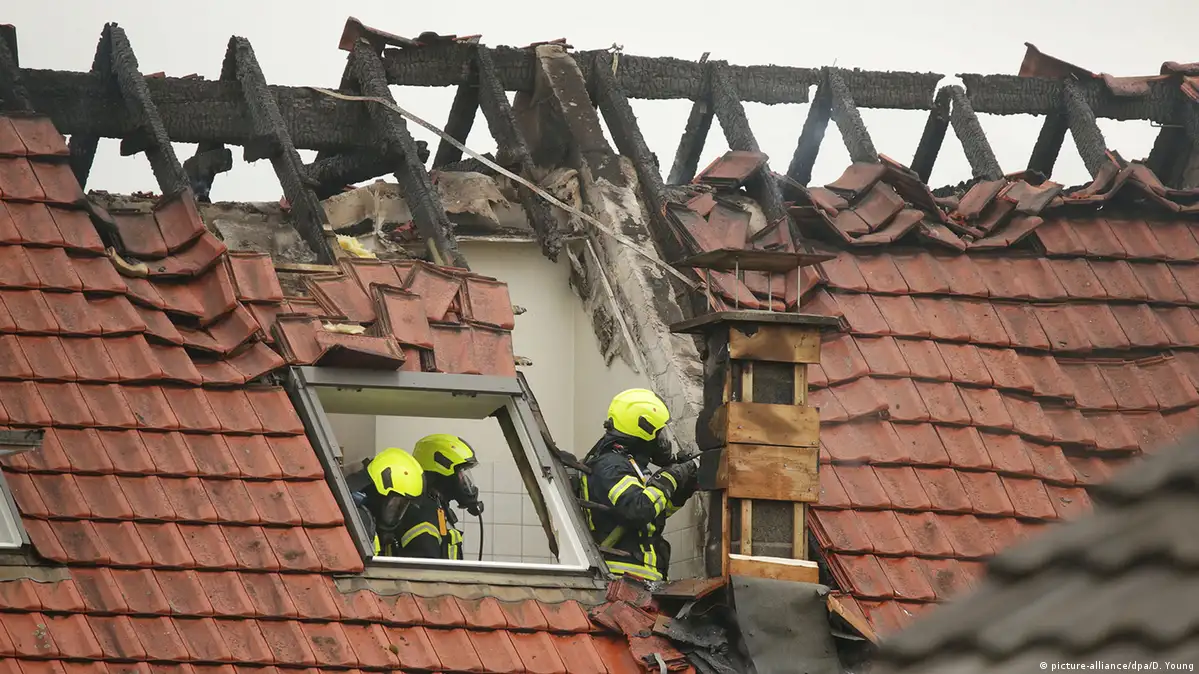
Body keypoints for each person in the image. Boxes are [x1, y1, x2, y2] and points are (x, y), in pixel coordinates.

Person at [576, 388, 698, 583]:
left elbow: (654, 514)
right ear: (644, 429)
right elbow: (639, 509)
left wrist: (684, 485)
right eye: (659, 433)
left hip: (639, 580)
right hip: (622, 580)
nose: (663, 441)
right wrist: (672, 476)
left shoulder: (629, 465)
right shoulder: (610, 466)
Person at [395, 433, 486, 561]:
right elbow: (425, 570)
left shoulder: (436, 507)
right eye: (460, 472)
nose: (464, 479)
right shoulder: (423, 515)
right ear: (441, 473)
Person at [349, 447, 427, 556]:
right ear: (377, 494)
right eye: (395, 504)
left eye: (402, 506)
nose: (397, 512)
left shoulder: (375, 530)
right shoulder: (357, 524)